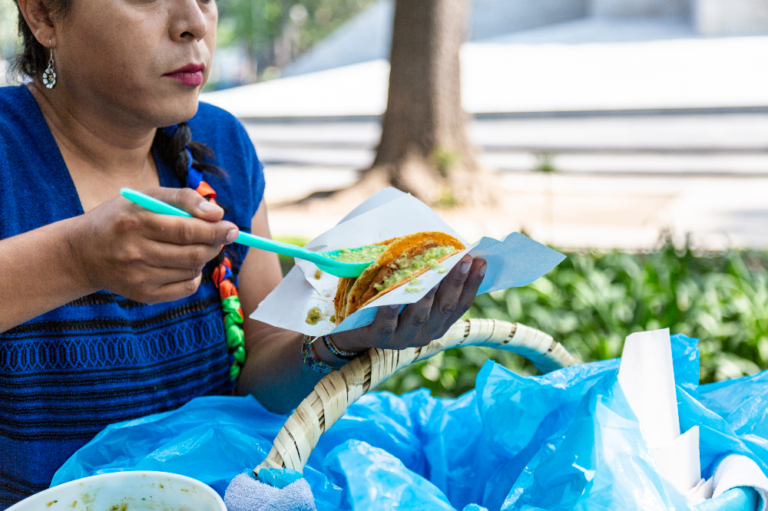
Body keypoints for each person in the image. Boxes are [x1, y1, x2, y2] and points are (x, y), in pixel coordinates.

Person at [0, 0, 487, 507]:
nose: (193, 23)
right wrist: (76, 260)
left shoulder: (221, 145)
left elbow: (260, 366)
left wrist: (335, 339)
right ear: (44, 16)